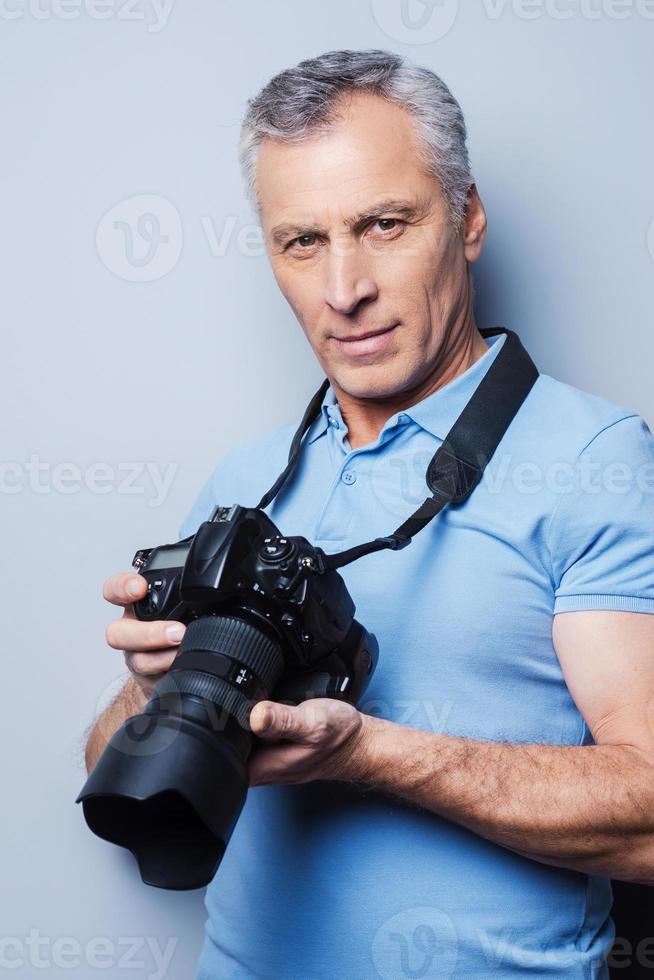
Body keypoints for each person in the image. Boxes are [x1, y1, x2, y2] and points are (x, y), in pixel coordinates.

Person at [84, 49, 654, 979]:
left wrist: (371, 755)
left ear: (467, 217)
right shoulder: (250, 478)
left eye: (384, 224)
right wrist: (154, 688)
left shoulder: (595, 460)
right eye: (301, 242)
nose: (343, 291)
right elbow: (120, 780)